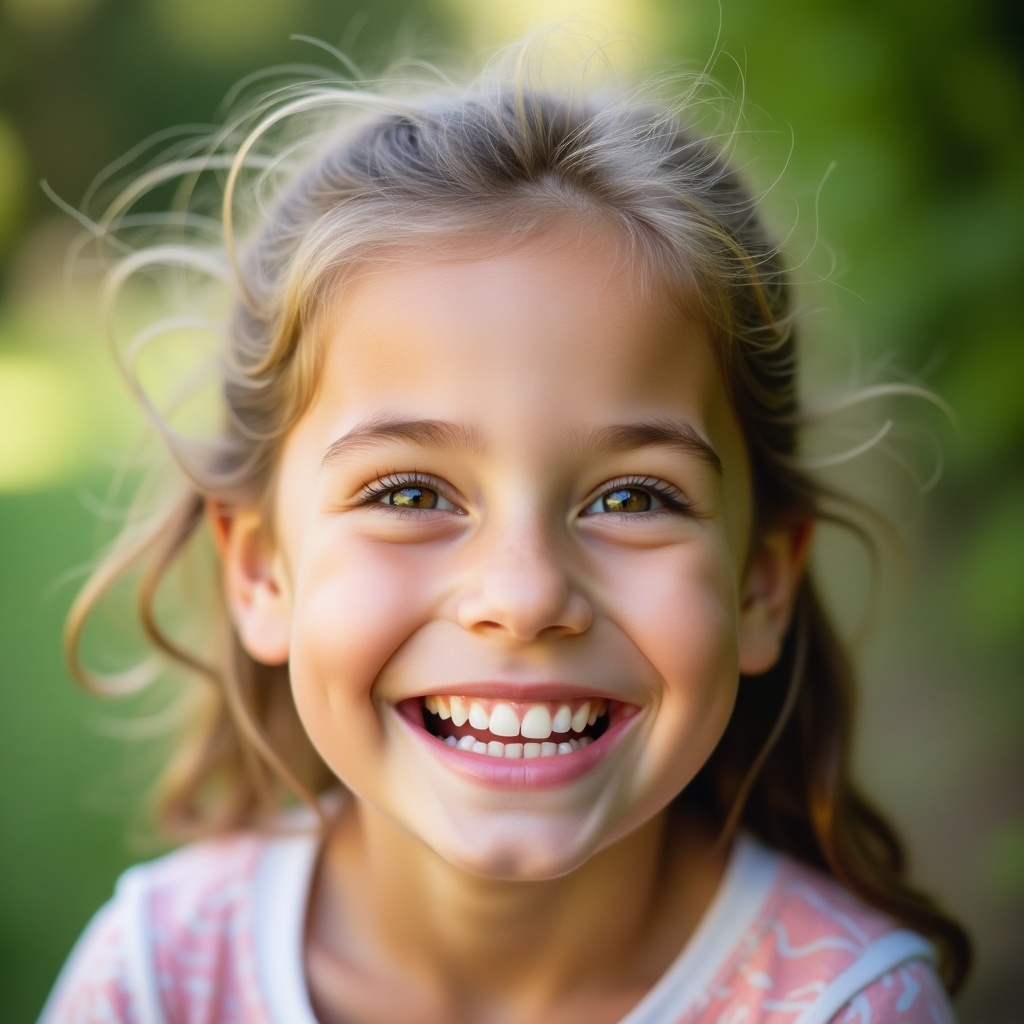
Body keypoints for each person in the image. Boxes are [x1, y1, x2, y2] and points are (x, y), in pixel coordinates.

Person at [41, 42, 970, 1024]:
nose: (524, 597)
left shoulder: (844, 1008)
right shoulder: (156, 979)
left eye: (630, 499)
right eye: (407, 493)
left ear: (759, 584)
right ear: (264, 568)